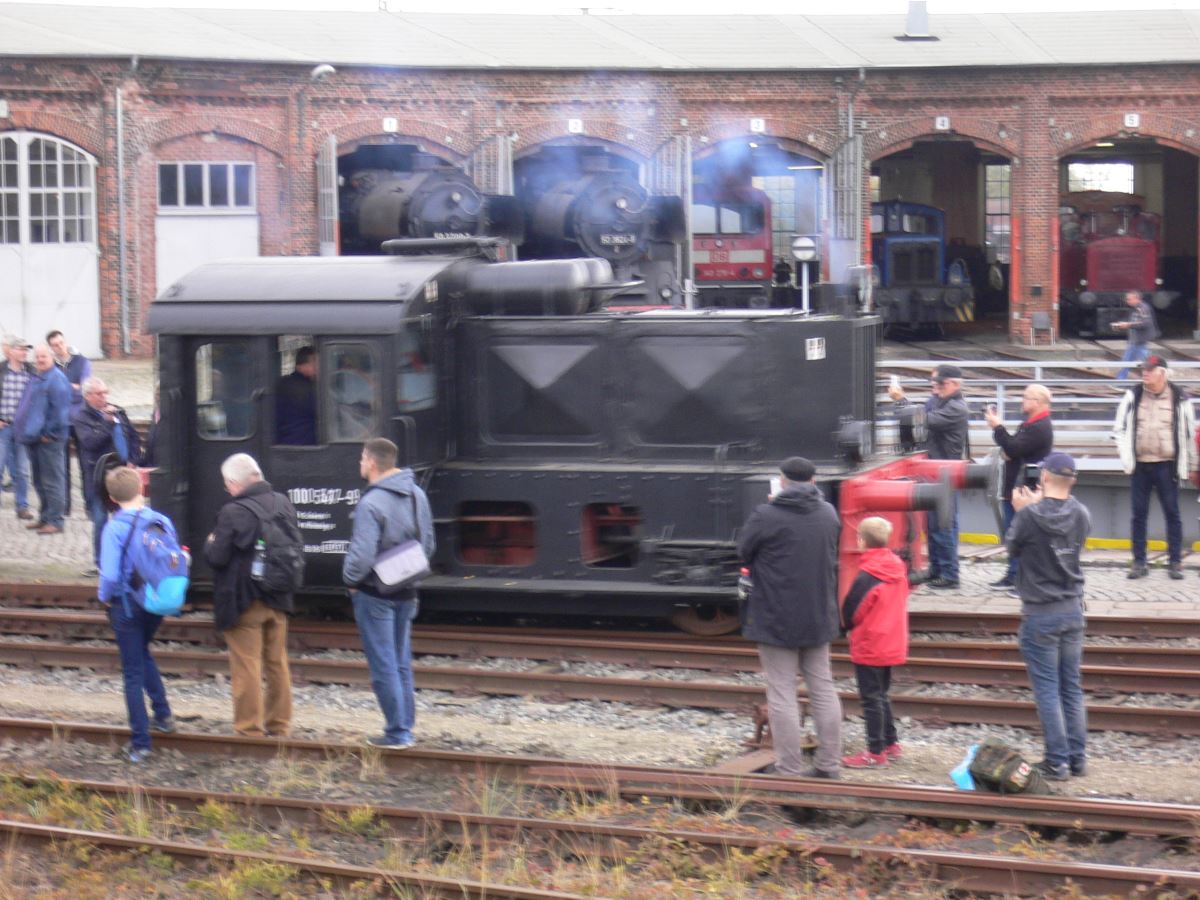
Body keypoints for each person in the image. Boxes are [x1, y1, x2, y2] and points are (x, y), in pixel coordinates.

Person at [737, 456, 843, 779]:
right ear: (814, 481)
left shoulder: (766, 515)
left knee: (782, 691)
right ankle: (829, 765)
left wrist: (772, 508)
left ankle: (789, 768)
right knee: (823, 687)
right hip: (818, 613)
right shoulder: (828, 513)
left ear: (782, 481)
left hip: (776, 615)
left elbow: (743, 551)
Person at [342, 437, 435, 749]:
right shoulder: (417, 494)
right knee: (400, 663)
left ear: (371, 462)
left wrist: (350, 580)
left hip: (375, 592)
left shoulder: (371, 503)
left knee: (383, 664)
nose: (359, 464)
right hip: (407, 589)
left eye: (361, 459)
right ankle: (405, 727)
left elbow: (362, 555)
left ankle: (397, 733)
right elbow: (428, 544)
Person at [1006, 452, 1091, 781]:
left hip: (1041, 613)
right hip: (1073, 609)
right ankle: (1077, 759)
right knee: (1071, 688)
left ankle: (1057, 762)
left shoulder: (1029, 516)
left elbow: (1012, 548)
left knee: (1048, 690)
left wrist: (1022, 510)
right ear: (1074, 481)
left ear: (1043, 477)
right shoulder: (1082, 512)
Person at [203, 453, 296, 737]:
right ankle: (279, 725)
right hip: (279, 596)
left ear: (234, 483)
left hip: (245, 600)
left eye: (227, 485)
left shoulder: (233, 512)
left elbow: (218, 557)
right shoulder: (282, 503)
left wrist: (210, 542)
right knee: (277, 662)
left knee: (247, 665)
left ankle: (249, 729)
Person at [97, 466, 176, 764]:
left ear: (112, 498)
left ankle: (141, 743)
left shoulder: (114, 528)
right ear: (141, 490)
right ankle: (163, 715)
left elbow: (109, 575)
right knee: (142, 653)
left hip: (127, 605)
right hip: (156, 602)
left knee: (132, 672)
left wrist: (104, 598)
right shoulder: (162, 520)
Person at [1113, 354, 1196, 580]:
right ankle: (1139, 562)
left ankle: (1175, 561)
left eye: (1150, 370)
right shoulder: (1134, 395)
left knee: (1172, 513)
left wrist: (1191, 464)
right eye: (1144, 370)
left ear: (1162, 373)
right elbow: (1119, 428)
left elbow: (1189, 434)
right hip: (1140, 465)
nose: (1145, 373)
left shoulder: (1179, 398)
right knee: (1138, 515)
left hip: (1167, 466)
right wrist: (1125, 456)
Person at [890, 363, 969, 588]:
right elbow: (919, 417)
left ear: (954, 384)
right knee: (934, 524)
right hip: (934, 471)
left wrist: (901, 401)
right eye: (933, 382)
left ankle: (949, 574)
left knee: (943, 524)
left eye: (939, 383)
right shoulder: (938, 401)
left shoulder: (957, 408)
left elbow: (923, 420)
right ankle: (937, 569)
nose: (935, 387)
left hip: (945, 474)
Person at [839, 516, 909, 769]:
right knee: (881, 695)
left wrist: (845, 627)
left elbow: (852, 610)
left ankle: (875, 751)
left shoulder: (868, 574)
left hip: (870, 643)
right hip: (891, 640)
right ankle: (891, 743)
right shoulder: (897, 568)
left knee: (871, 699)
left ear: (862, 540)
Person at [985, 384, 1054, 590]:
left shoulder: (1039, 427)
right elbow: (1011, 447)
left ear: (1038, 402)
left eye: (1025, 397)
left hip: (1026, 490)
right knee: (1014, 534)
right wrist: (1006, 445)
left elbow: (1013, 447)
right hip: (1017, 487)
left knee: (1022, 535)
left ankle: (1022, 579)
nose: (1022, 401)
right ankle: (1013, 575)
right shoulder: (1029, 424)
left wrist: (998, 427)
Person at [73, 377, 142, 577]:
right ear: (88, 396)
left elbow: (133, 437)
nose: (104, 397)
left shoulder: (118, 411)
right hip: (98, 476)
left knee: (127, 518)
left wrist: (133, 459)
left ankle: (127, 561)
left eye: (105, 392)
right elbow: (90, 442)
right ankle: (102, 563)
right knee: (101, 520)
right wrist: (106, 423)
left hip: (123, 475)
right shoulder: (81, 417)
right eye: (99, 394)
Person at [14, 344, 71, 535]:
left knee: (52, 481)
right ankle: (45, 517)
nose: (39, 360)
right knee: (39, 481)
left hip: (49, 440)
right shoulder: (37, 377)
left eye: (43, 356)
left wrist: (50, 434)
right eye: (37, 356)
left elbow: (61, 412)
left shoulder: (57, 379)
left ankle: (56, 521)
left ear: (52, 357)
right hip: (34, 438)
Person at [48, 329, 91, 515]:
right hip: (61, 421)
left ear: (65, 341)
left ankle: (90, 505)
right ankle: (65, 506)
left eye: (60, 343)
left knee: (86, 465)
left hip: (81, 419)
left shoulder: (82, 361)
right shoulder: (51, 366)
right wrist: (72, 387)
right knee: (61, 467)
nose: (59, 347)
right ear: (51, 348)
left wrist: (66, 388)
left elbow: (85, 390)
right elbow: (51, 392)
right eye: (55, 345)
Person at [0, 335, 35, 522]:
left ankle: (22, 506)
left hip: (22, 429)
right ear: (11, 351)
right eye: (21, 349)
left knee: (22, 470)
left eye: (26, 349)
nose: (24, 353)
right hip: (3, 427)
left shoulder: (31, 372)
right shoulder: (1, 370)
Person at [275, 346, 318, 445]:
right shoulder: (298, 387)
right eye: (315, 364)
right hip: (298, 443)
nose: (318, 368)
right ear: (302, 365)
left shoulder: (287, 383)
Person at [1112, 291, 1159, 380]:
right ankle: (1120, 381)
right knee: (1126, 361)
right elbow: (1136, 322)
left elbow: (1145, 323)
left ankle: (1158, 376)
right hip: (1135, 341)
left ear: (1137, 299)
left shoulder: (1143, 308)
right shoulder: (1136, 308)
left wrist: (1128, 325)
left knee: (1148, 361)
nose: (1127, 301)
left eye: (1129, 299)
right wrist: (1124, 324)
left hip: (1140, 340)